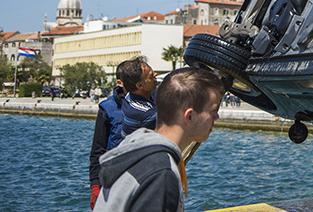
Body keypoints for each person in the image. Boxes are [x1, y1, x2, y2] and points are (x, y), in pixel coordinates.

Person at [94, 67, 224, 212]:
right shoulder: (162, 173)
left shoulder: (138, 148)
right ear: (189, 116)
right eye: (213, 111)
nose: (216, 117)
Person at [89, 60, 132, 209]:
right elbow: (98, 148)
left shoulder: (152, 104)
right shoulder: (107, 108)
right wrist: (95, 185)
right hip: (115, 178)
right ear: (120, 83)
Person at [121, 58, 159, 136]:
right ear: (140, 85)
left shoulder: (129, 97)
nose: (156, 74)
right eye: (151, 76)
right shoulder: (147, 113)